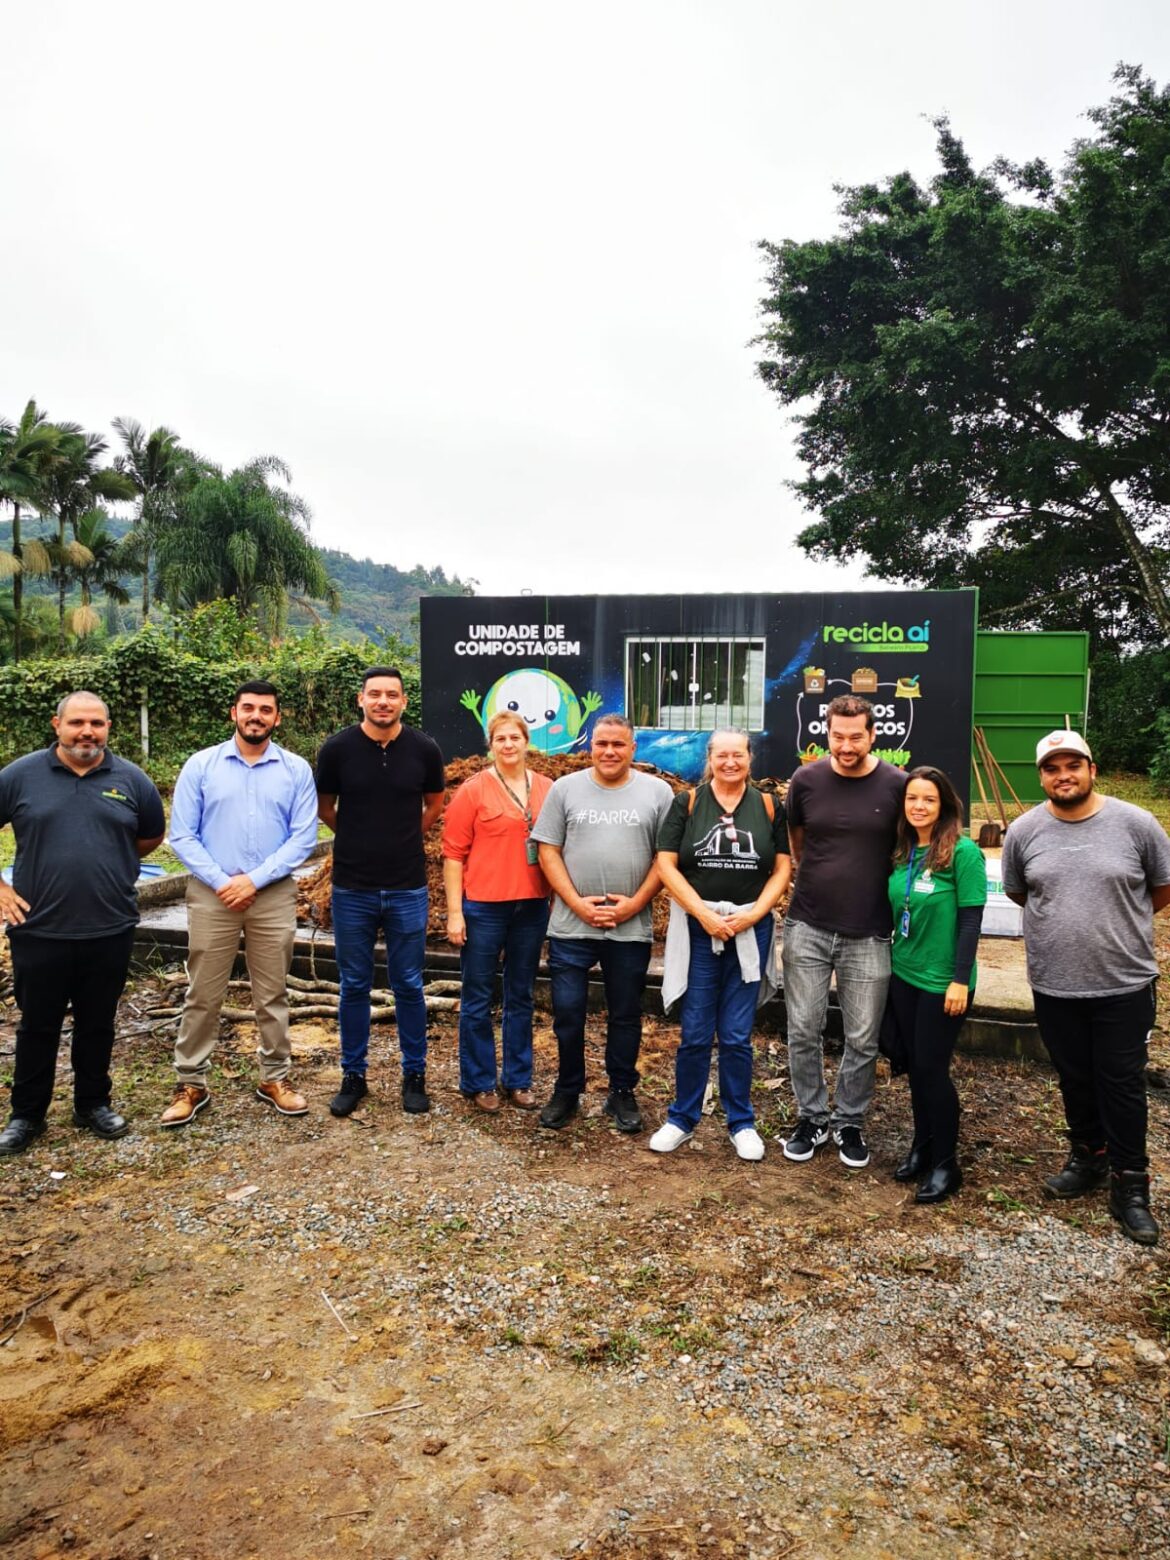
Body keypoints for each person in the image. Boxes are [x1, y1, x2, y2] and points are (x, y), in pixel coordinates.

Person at [1002, 730, 1170, 1246]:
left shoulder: (1136, 824)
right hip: (1055, 983)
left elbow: (1161, 888)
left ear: (1092, 770)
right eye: (1052, 768)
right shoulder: (1024, 832)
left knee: (1121, 1083)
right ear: (1041, 777)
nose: (1064, 776)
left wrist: (1114, 923)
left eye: (1073, 765)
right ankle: (1088, 1158)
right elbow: (1020, 892)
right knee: (1074, 1078)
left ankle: (1131, 1185)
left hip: (1124, 982)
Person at [0, 692, 164, 1155]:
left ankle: (92, 1103)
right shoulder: (20, 776)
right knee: (37, 1025)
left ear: (108, 727)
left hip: (110, 925)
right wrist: (2, 889)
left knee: (98, 1022)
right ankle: (26, 1115)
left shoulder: (131, 779)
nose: (87, 732)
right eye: (77, 723)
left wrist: (110, 860)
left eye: (97, 723)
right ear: (57, 725)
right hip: (39, 927)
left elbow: (151, 836)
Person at [162, 682, 319, 1127]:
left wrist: (254, 880)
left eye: (265, 710)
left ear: (277, 718)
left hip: (272, 895)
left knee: (272, 992)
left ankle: (275, 1077)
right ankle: (191, 1082)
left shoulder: (295, 770)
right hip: (212, 895)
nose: (256, 716)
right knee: (203, 991)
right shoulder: (202, 766)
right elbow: (182, 835)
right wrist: (223, 881)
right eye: (248, 708)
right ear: (234, 712)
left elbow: (303, 838)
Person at [649, 730, 791, 1161]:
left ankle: (741, 1123)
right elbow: (665, 864)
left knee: (735, 1035)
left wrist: (755, 914)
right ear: (710, 758)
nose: (730, 762)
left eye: (738, 755)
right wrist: (702, 914)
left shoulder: (768, 806)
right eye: (722, 755)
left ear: (750, 758)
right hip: (699, 929)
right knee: (694, 1031)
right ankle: (682, 1118)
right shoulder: (688, 803)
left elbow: (782, 867)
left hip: (750, 929)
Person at [781, 695, 907, 1169]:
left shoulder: (897, 784)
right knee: (802, 1028)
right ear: (827, 733)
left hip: (870, 931)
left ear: (873, 735)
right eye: (838, 736)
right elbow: (798, 844)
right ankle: (811, 1118)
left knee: (862, 1036)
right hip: (808, 925)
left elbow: (905, 847)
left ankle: (849, 1122)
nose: (847, 746)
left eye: (856, 737)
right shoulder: (806, 780)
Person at [531, 714, 673, 1133]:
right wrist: (576, 903)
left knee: (625, 1014)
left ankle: (621, 1091)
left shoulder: (658, 793)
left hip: (629, 928)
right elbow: (548, 850)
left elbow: (666, 859)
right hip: (571, 926)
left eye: (618, 744)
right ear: (590, 746)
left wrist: (635, 905)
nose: (609, 752)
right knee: (568, 1012)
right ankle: (567, 1090)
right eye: (601, 744)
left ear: (633, 748)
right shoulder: (565, 789)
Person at [316, 666, 445, 1117]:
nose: (383, 702)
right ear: (361, 699)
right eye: (375, 694)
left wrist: (404, 837)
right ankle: (353, 1075)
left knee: (408, 983)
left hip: (408, 886)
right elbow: (325, 807)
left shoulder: (424, 749)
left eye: (392, 694)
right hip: (352, 888)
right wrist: (357, 837)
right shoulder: (337, 750)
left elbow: (434, 803)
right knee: (353, 984)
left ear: (404, 701)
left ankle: (415, 1075)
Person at [884, 766, 987, 1203]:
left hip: (943, 982)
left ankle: (947, 1163)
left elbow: (971, 921)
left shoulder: (962, 852)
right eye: (912, 798)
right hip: (904, 973)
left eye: (928, 799)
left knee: (932, 1069)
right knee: (913, 1065)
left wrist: (960, 980)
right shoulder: (903, 852)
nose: (919, 806)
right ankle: (922, 1147)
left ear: (944, 805)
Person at [442, 713, 552, 1112]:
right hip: (484, 908)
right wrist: (455, 913)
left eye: (514, 737)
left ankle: (518, 1080)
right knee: (477, 996)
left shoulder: (547, 789)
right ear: (491, 745)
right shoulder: (473, 791)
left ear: (526, 742)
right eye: (500, 738)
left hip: (532, 907)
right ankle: (479, 1081)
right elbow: (453, 855)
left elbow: (557, 850)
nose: (508, 744)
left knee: (521, 994)